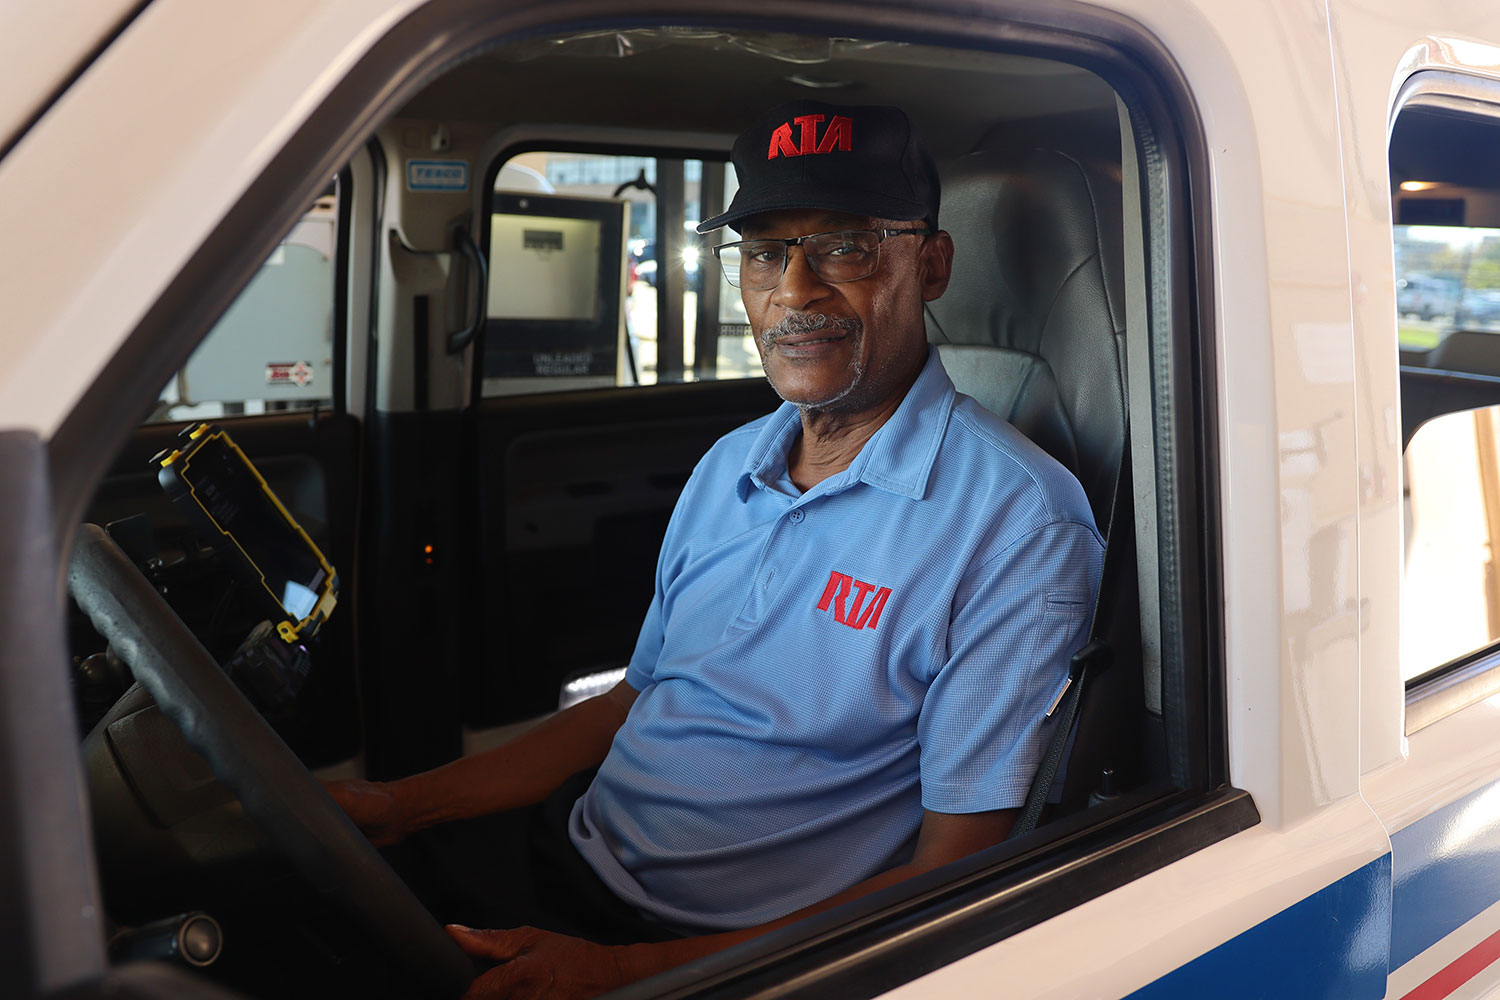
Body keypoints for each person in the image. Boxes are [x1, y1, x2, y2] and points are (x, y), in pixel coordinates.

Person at [329, 99, 1103, 999]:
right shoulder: (731, 464)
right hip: (570, 852)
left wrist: (621, 974)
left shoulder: (1017, 524)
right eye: (767, 251)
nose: (796, 290)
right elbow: (636, 701)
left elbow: (953, 874)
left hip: (715, 954)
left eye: (844, 245)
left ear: (930, 265)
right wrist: (402, 805)